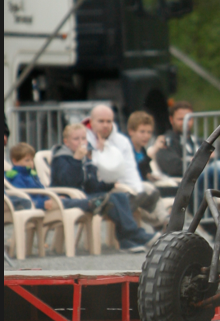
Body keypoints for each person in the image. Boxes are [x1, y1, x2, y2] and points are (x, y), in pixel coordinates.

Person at [51, 124, 158, 253]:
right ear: (66, 142)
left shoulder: (86, 159)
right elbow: (67, 182)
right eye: (76, 139)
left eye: (83, 138)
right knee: (110, 200)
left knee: (120, 196)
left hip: (86, 196)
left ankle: (127, 239)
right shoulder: (61, 158)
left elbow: (92, 186)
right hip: (68, 198)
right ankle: (133, 235)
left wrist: (109, 183)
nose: (81, 143)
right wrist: (76, 160)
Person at [84, 105, 166, 228]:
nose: (105, 125)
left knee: (149, 190)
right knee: (126, 196)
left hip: (121, 185)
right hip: (95, 190)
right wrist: (101, 152)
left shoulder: (122, 141)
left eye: (109, 121)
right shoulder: (82, 139)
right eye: (101, 121)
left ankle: (165, 222)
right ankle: (158, 225)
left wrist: (136, 191)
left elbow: (130, 170)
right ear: (91, 121)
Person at [5, 142, 106, 214]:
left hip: (45, 202)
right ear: (14, 161)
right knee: (66, 203)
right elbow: (21, 197)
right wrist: (41, 203)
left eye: (32, 160)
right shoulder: (15, 176)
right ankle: (91, 204)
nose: (31, 163)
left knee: (64, 200)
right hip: (37, 205)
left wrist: (53, 197)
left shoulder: (31, 174)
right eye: (27, 160)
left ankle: (95, 203)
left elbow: (42, 190)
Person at [154, 101, 195, 178]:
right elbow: (173, 167)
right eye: (181, 119)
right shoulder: (165, 141)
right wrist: (203, 161)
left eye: (188, 119)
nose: (185, 122)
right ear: (171, 120)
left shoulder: (197, 140)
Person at [126, 111, 166, 182]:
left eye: (149, 132)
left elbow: (146, 172)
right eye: (142, 132)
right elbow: (136, 171)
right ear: (131, 131)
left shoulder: (142, 150)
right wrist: (150, 155)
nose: (146, 136)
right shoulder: (126, 150)